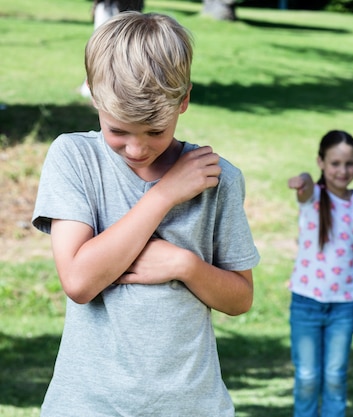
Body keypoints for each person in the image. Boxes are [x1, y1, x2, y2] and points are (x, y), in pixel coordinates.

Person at [32, 12, 259, 416]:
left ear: (183, 100)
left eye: (155, 131)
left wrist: (184, 265)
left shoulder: (217, 178)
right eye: (118, 131)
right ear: (95, 98)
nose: (137, 149)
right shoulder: (74, 158)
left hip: (192, 406)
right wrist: (164, 195)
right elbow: (80, 281)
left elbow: (240, 298)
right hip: (87, 405)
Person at [287, 130, 353, 417]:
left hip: (344, 305)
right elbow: (306, 184)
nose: (342, 170)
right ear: (321, 162)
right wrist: (303, 178)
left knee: (335, 377)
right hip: (306, 302)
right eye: (335, 163)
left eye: (349, 164)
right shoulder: (312, 197)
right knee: (308, 378)